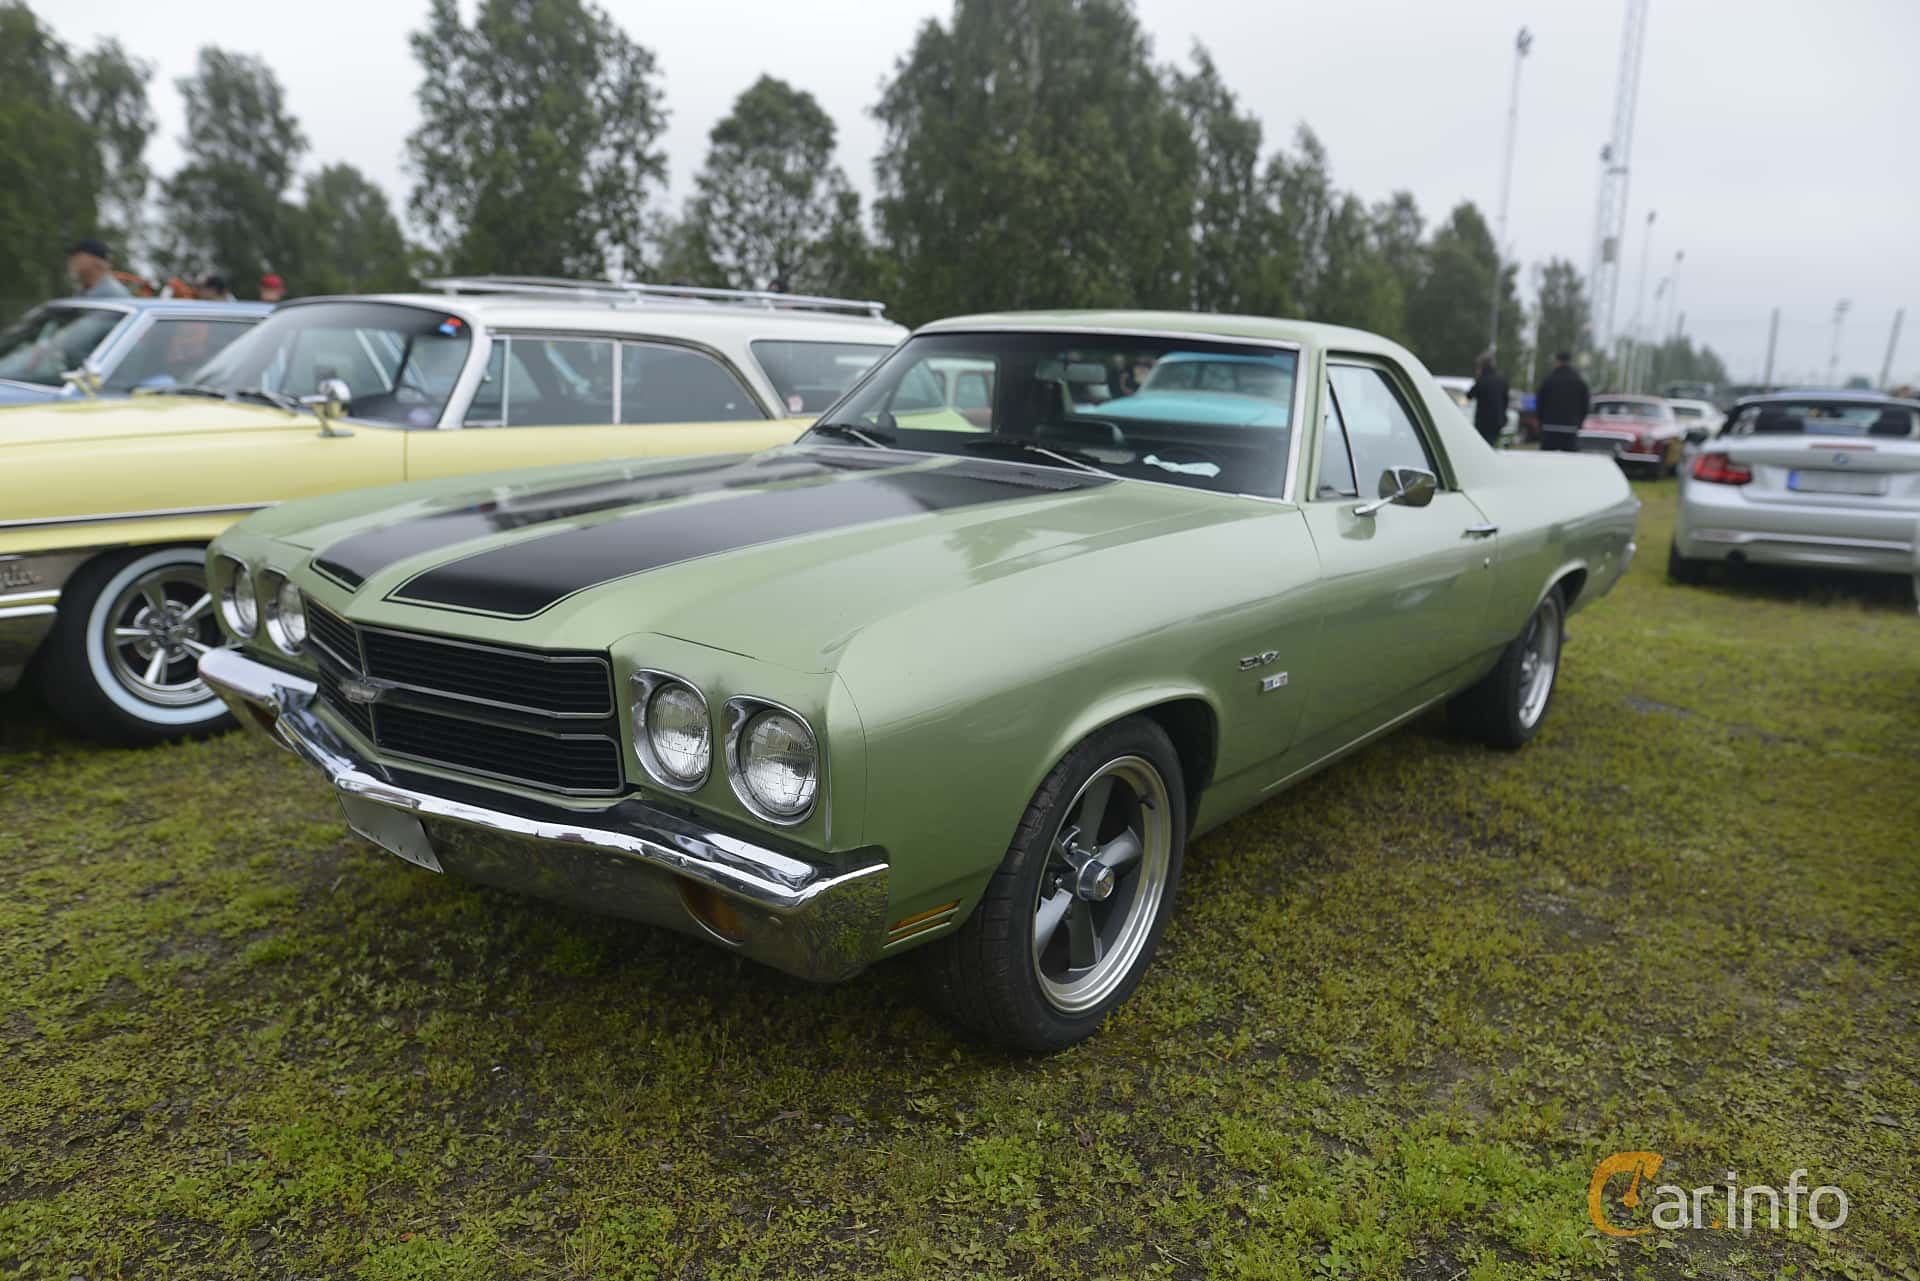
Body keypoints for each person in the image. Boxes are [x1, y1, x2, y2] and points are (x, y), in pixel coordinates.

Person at [1534, 351, 1591, 452]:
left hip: (1549, 426)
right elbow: (1585, 404)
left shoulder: (1548, 379)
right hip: (1570, 427)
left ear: (1557, 361)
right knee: (1568, 462)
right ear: (1570, 361)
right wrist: (1579, 422)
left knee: (1546, 460)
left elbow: (1539, 402)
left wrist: (1541, 421)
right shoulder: (1579, 381)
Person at [1465, 351, 1509, 447]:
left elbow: (1469, 396)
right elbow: (1506, 402)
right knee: (1492, 445)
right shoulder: (1502, 380)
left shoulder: (1482, 380)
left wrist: (1477, 377)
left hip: (1483, 423)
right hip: (1498, 421)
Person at [64, 238, 129, 298]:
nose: (72, 259)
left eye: (77, 254)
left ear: (97, 260)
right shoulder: (84, 291)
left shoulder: (113, 293)